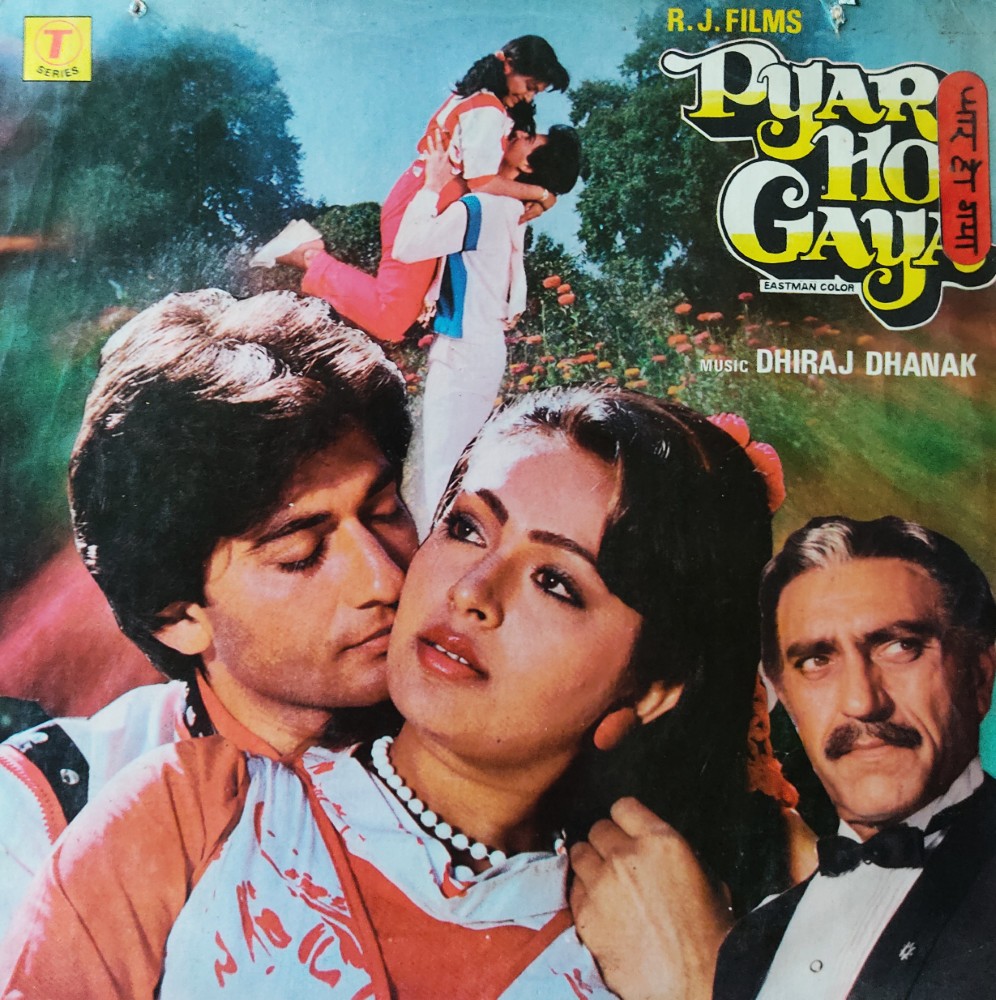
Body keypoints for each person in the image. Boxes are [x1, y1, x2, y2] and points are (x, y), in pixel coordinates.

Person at [0, 386, 792, 998]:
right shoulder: (195, 815)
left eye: (556, 581)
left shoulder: (652, 942)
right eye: (468, 528)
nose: (473, 591)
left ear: (652, 690)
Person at [0, 289, 418, 940]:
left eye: (385, 511)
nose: (386, 579)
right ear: (176, 616)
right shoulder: (48, 807)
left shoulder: (498, 750)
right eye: (302, 553)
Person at [714, 515, 996, 1000]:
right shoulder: (746, 948)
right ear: (784, 697)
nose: (862, 702)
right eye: (816, 660)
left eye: (900, 647)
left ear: (979, 676)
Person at [277, 35, 569, 343]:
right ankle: (310, 255)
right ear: (507, 64)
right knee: (391, 317)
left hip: (427, 195)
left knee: (398, 314)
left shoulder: (481, 100)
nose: (529, 97)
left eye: (536, 92)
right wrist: (542, 195)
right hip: (423, 197)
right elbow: (482, 181)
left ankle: (311, 256)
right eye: (530, 86)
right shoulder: (486, 109)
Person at [392, 123, 581, 527]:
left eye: (529, 139)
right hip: (484, 348)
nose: (516, 134)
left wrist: (432, 185)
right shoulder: (513, 211)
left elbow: (407, 247)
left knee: (439, 479)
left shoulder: (481, 208)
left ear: (527, 164)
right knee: (452, 471)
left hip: (461, 351)